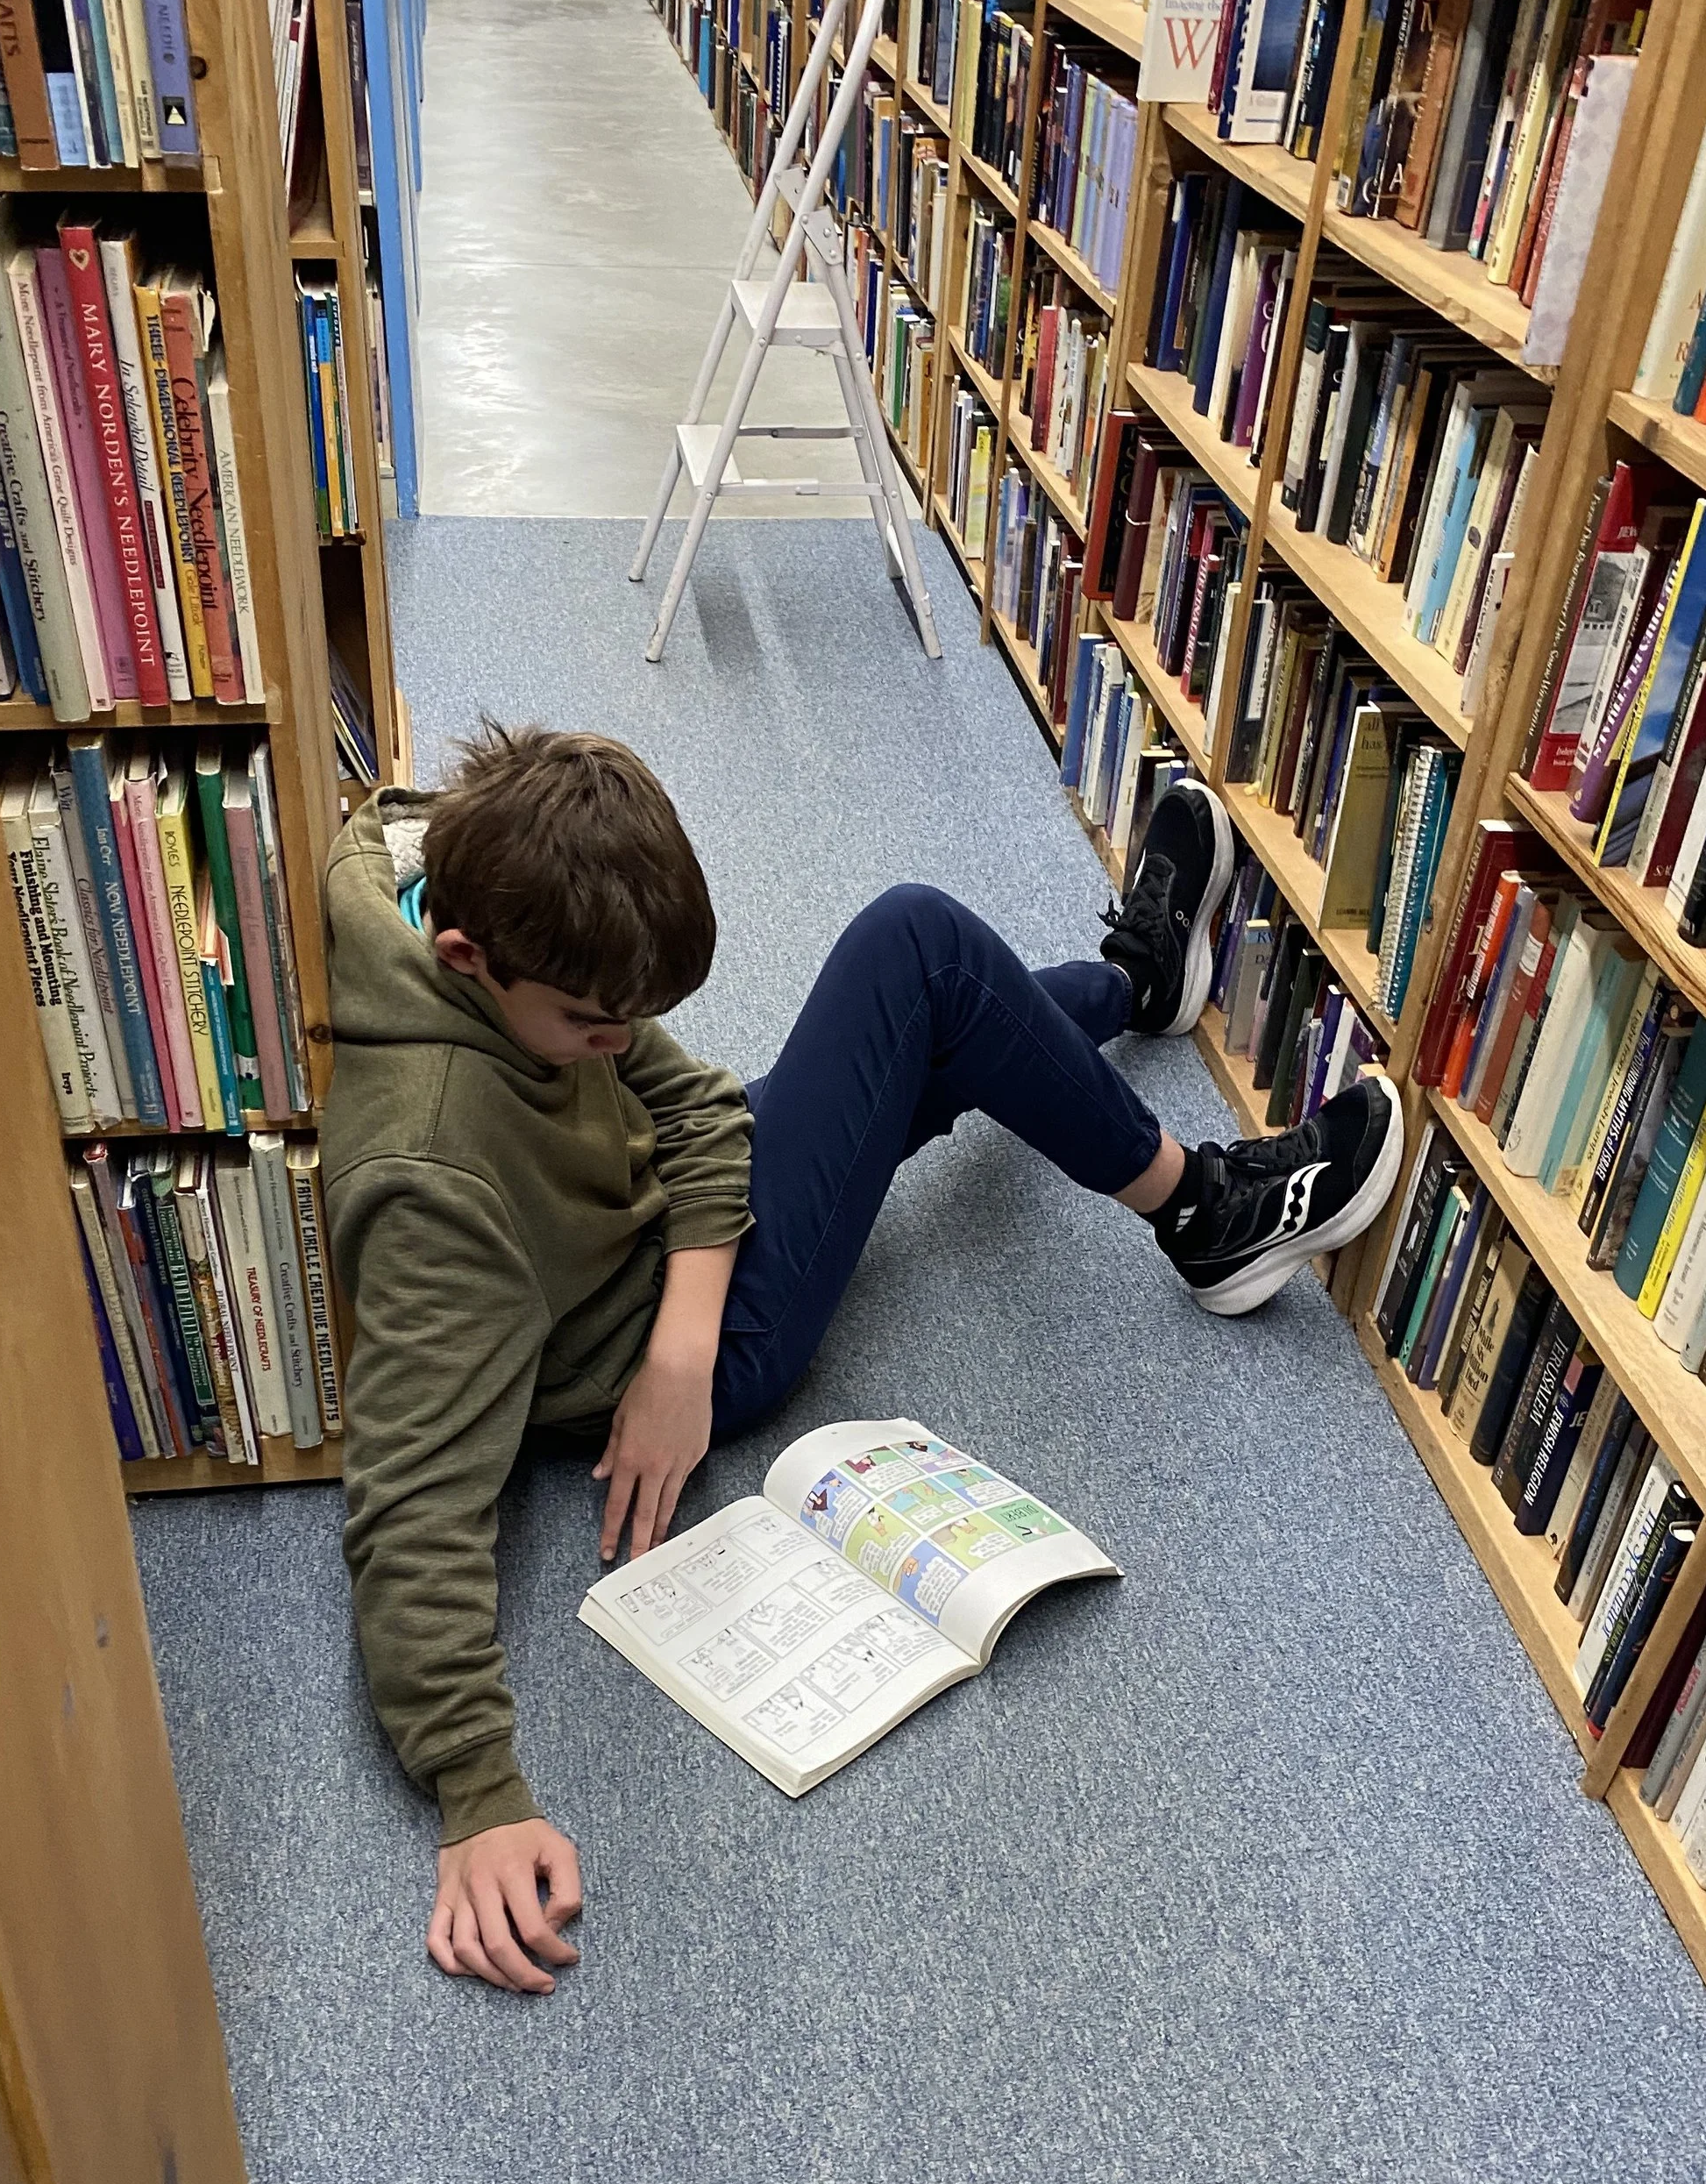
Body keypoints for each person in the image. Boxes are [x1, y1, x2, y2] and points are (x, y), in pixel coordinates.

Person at [319, 725, 1404, 1995]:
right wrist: (477, 1789)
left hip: (671, 1286)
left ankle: (1134, 985)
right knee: (915, 946)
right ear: (463, 958)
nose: (621, 1045)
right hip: (715, 1349)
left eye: (633, 1021)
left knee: (924, 1010)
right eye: (595, 1027)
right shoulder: (434, 1183)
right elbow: (408, 1504)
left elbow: (699, 1108)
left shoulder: (458, 894)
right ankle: (1202, 1213)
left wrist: (673, 1316)